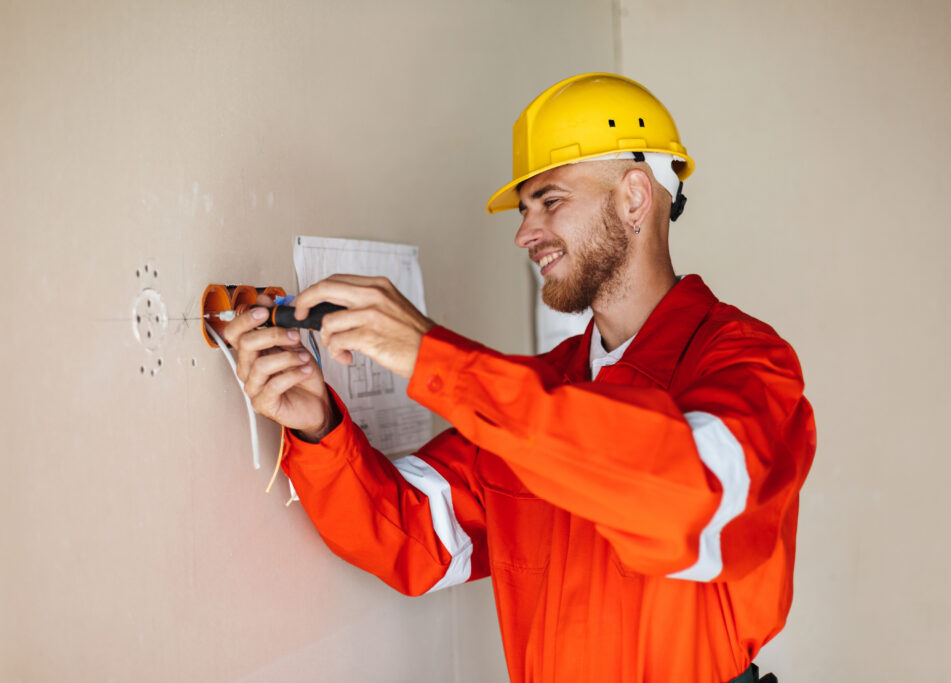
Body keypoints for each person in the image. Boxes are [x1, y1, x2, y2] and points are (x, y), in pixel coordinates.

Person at [224, 73, 815, 683]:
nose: (524, 233)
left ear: (635, 198)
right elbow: (413, 535)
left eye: (550, 200)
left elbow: (687, 498)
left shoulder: (749, 365)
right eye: (525, 207)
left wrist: (434, 355)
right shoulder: (536, 393)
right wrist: (319, 427)